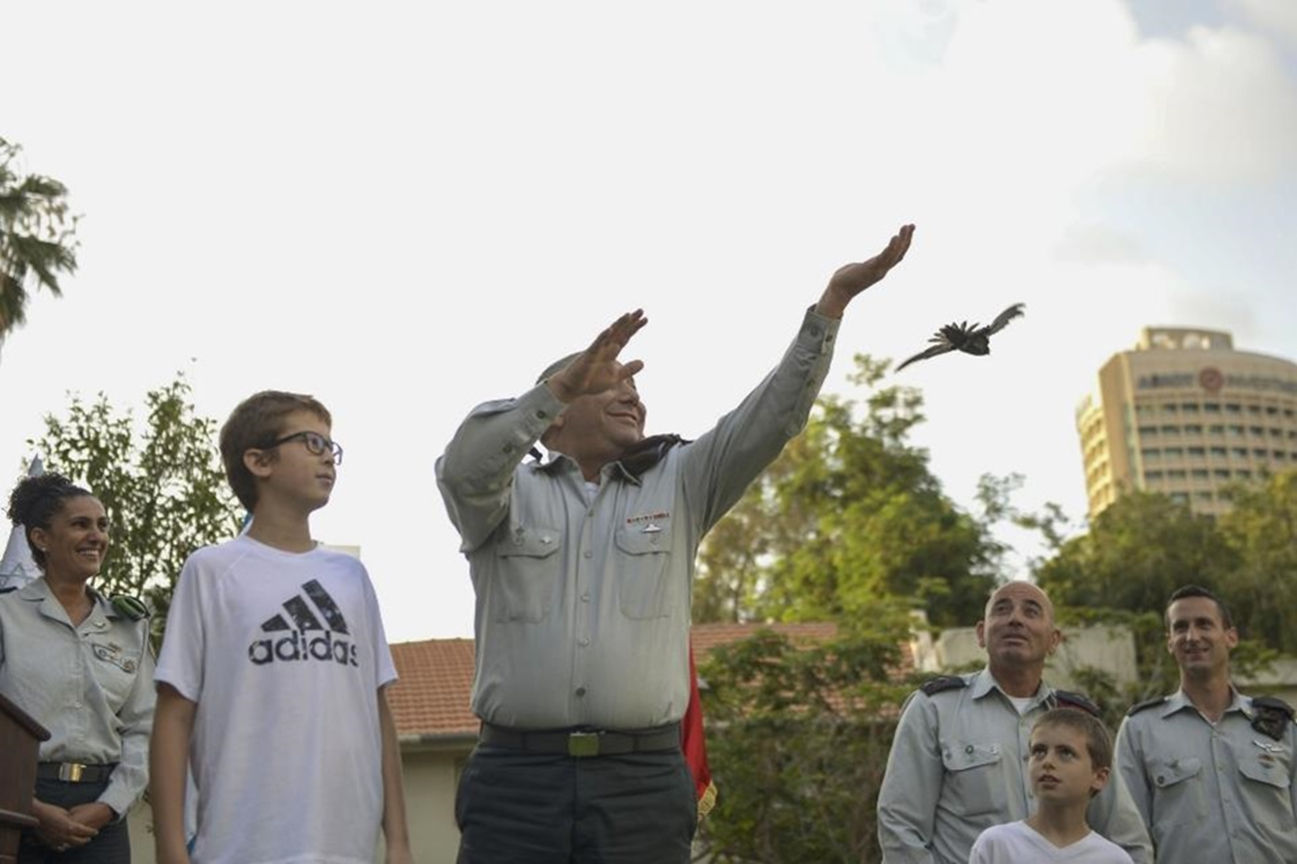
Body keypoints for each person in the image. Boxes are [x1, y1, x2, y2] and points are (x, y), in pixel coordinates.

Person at [436, 223, 915, 863]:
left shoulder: (680, 481)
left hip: (641, 782)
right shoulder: (500, 497)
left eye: (634, 386)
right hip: (516, 781)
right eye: (607, 384)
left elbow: (771, 417)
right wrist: (558, 384)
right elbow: (461, 467)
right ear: (555, 413)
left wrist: (830, 306)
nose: (630, 393)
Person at [150, 391, 412, 864]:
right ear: (259, 461)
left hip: (346, 847)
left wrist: (399, 842)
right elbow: (174, 714)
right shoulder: (212, 569)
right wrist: (170, 849)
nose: (329, 456)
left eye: (332, 446)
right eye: (312, 442)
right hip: (241, 845)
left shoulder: (351, 577)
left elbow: (379, 712)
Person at [876, 581, 1151, 864]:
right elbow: (900, 826)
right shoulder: (936, 709)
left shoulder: (1079, 720)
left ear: (1054, 640)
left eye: (1031, 612)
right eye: (1002, 610)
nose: (1015, 619)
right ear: (981, 634)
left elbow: (1126, 839)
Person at [1, 472, 154, 863]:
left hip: (100, 818)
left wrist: (109, 806)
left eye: (102, 525)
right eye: (80, 524)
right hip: (13, 808)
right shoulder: (6, 616)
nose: (96, 536)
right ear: (40, 538)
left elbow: (145, 729)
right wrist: (31, 807)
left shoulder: (130, 626)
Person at [1115, 584, 1297, 862]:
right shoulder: (1140, 729)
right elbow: (1128, 835)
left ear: (1231, 637)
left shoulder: (1279, 725)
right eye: (1180, 627)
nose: (1192, 636)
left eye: (1204, 624)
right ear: (1169, 642)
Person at [969, 708, 1133, 863]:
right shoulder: (997, 845)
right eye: (1039, 751)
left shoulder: (1113, 859)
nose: (1047, 761)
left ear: (1099, 777)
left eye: (1065, 753)